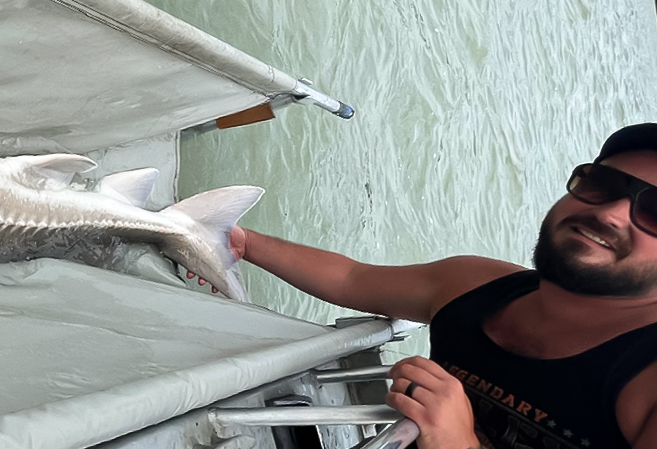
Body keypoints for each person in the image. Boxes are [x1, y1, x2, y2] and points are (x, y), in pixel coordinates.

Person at [229, 123, 657, 449]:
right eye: (604, 184)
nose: (613, 214)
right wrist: (243, 243)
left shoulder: (646, 385)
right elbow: (351, 278)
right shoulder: (473, 284)